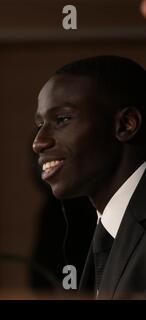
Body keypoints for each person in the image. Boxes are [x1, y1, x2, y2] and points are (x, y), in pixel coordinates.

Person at [32, 55, 146, 299]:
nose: (38, 142)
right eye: (40, 124)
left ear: (126, 124)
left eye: (62, 119)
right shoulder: (101, 230)